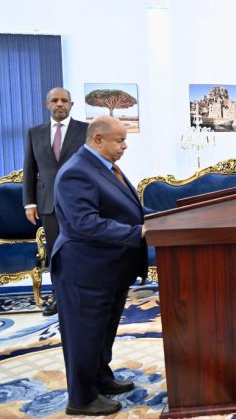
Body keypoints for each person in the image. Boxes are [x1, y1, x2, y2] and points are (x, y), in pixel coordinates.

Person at [51, 115, 147, 415]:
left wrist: (164, 218)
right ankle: (81, 398)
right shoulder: (76, 172)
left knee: (103, 331)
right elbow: (85, 224)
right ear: (97, 139)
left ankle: (100, 378)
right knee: (84, 335)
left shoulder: (104, 167)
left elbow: (127, 210)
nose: (125, 146)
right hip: (84, 269)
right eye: (120, 140)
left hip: (110, 268)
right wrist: (138, 232)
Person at [23, 87, 88, 317]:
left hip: (80, 203)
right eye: (54, 100)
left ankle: (82, 295)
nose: (59, 104)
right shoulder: (34, 133)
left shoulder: (86, 130)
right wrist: (29, 203)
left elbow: (94, 165)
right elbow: (29, 169)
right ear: (47, 104)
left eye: (64, 100)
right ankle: (59, 297)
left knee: (81, 250)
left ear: (71, 104)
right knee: (55, 253)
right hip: (48, 203)